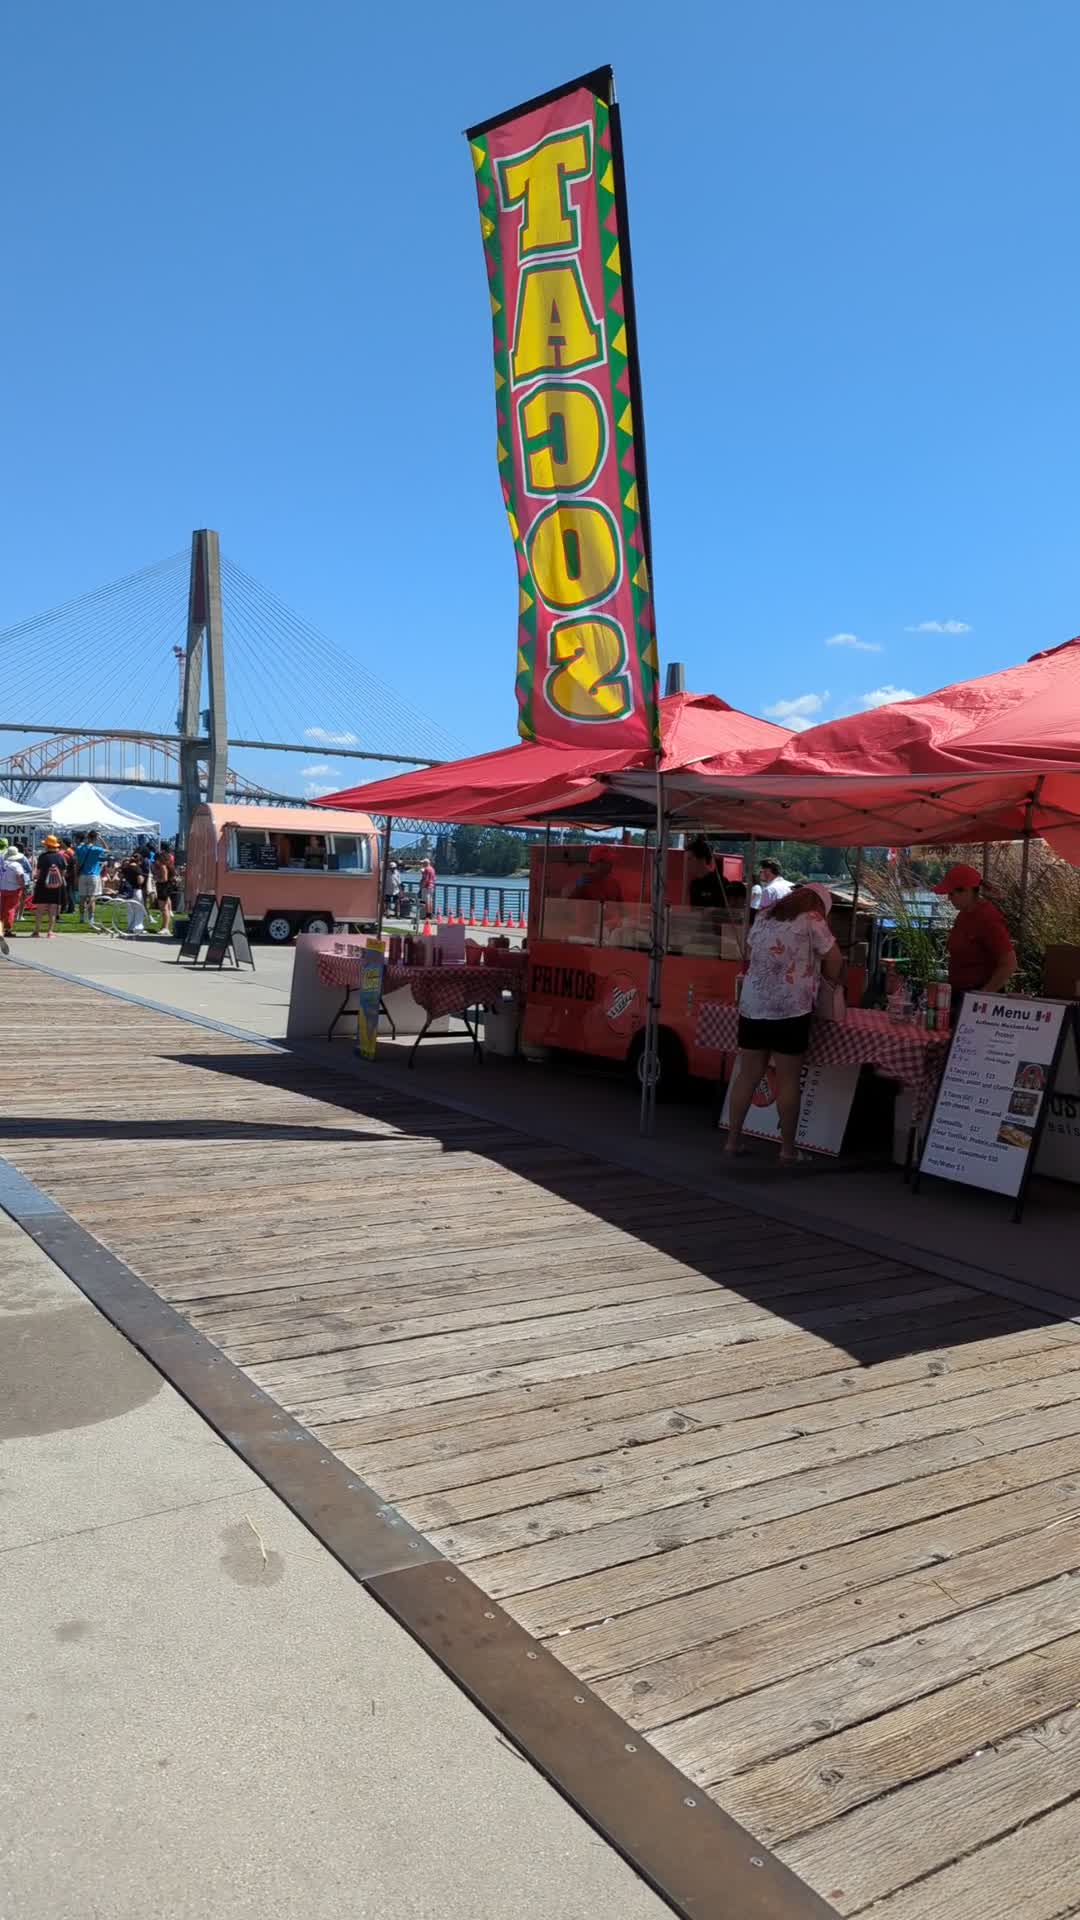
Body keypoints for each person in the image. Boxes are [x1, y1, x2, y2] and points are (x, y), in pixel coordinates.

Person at [724, 882, 844, 1166]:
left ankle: (732, 1141)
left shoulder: (764, 915)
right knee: (788, 1080)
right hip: (791, 1009)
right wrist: (828, 981)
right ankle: (787, 1150)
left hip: (753, 1006)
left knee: (748, 1075)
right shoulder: (813, 919)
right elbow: (834, 958)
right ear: (820, 905)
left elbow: (753, 951)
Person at [933, 863, 1016, 1020]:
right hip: (960, 994)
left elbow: (1009, 964)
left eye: (951, 894)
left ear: (967, 891)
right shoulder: (964, 915)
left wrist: (981, 996)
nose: (949, 898)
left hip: (979, 1001)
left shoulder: (987, 918)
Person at [32, 834, 68, 938]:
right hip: (57, 886)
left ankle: (36, 931)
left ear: (47, 846)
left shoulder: (42, 857)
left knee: (40, 909)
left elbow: (38, 872)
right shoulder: (61, 857)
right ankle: (50, 932)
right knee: (53, 909)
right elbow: (63, 872)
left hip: (42, 885)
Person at [0, 838, 30, 951]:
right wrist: (23, 886)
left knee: (2, 909)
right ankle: (8, 929)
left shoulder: (3, 864)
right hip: (14, 889)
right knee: (10, 910)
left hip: (2, 888)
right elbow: (19, 877)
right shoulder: (17, 865)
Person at [75, 826, 109, 926]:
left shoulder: (79, 848)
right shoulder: (96, 849)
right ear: (95, 838)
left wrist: (76, 875)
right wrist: (101, 839)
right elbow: (107, 850)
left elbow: (77, 863)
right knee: (92, 898)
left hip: (83, 875)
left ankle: (81, 917)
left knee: (82, 898)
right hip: (93, 875)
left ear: (87, 837)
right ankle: (91, 918)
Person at [686, 836, 726, 908]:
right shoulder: (694, 885)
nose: (687, 863)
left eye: (690, 859)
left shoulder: (720, 882)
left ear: (702, 859)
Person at [153, 844, 176, 933]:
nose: (156, 861)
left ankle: (165, 927)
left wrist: (156, 879)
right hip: (165, 887)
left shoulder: (163, 867)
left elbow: (164, 879)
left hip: (163, 887)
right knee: (164, 908)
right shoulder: (167, 866)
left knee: (164, 908)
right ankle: (164, 926)